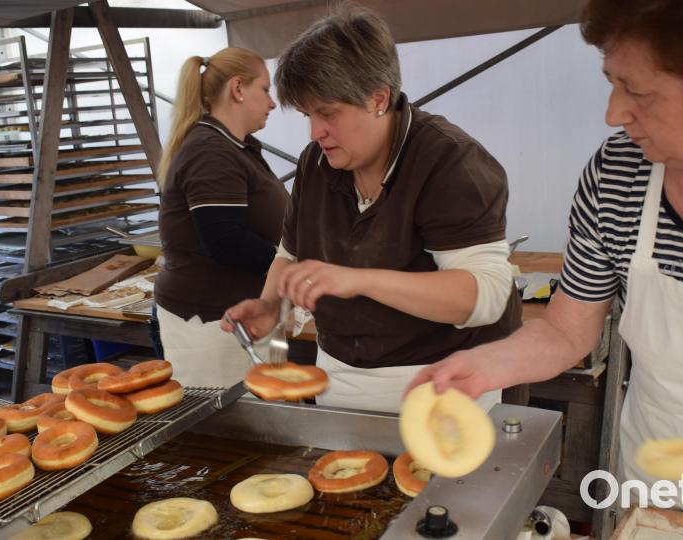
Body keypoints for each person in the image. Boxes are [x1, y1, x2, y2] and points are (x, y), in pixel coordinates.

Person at [408, 0, 683, 531]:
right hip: (654, 485)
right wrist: (485, 366)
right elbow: (569, 330)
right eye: (611, 82)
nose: (613, 113)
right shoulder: (616, 177)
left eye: (636, 90)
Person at [222, 6, 521, 414]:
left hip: (441, 387)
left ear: (378, 98)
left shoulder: (450, 162)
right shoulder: (317, 162)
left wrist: (360, 280)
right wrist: (271, 306)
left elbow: (483, 296)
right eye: (309, 115)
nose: (314, 133)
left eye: (328, 114)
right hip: (339, 381)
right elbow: (290, 256)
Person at [153, 48, 288, 388]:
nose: (272, 103)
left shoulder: (236, 147)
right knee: (233, 432)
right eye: (265, 89)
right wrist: (291, 270)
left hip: (244, 313)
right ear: (238, 88)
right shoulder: (210, 151)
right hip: (212, 324)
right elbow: (225, 241)